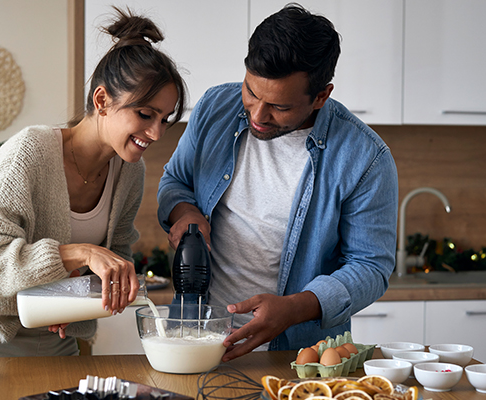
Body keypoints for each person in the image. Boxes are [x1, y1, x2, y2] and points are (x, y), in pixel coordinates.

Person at [157, 3, 398, 362]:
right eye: (251, 92)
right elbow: (175, 180)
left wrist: (294, 308)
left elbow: (371, 266)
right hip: (195, 335)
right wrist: (185, 212)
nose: (257, 115)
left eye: (279, 107)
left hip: (297, 352)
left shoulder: (365, 158)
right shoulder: (214, 107)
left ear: (321, 96)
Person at [0, 7, 186, 358]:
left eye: (165, 119)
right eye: (145, 115)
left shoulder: (130, 172)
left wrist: (76, 299)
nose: (155, 132)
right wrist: (78, 253)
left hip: (60, 340)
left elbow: (114, 254)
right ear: (101, 100)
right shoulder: (30, 153)